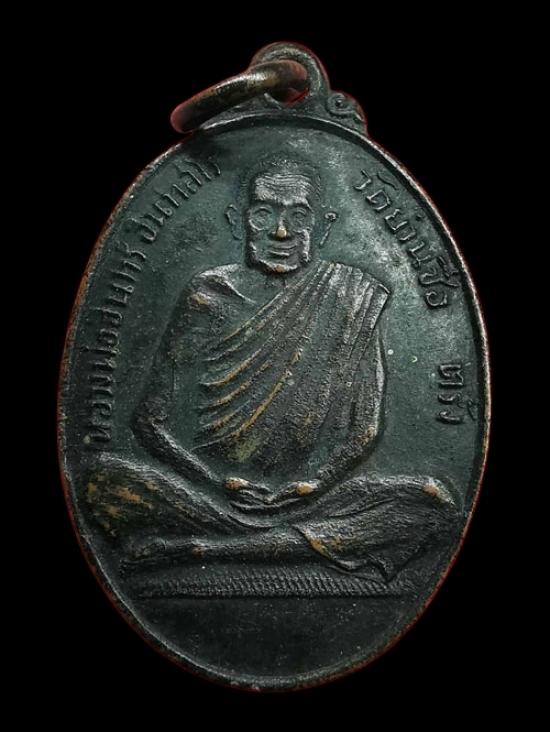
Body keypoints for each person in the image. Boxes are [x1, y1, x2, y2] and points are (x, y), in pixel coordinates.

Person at [86, 153, 459, 584]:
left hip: (316, 501)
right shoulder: (207, 295)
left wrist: (311, 486)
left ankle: (201, 549)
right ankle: (282, 544)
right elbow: (148, 422)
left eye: (298, 216)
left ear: (323, 225)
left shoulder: (353, 296)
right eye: (264, 213)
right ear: (238, 220)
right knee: (103, 480)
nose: (281, 232)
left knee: (432, 504)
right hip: (211, 496)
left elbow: (365, 429)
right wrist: (217, 483)